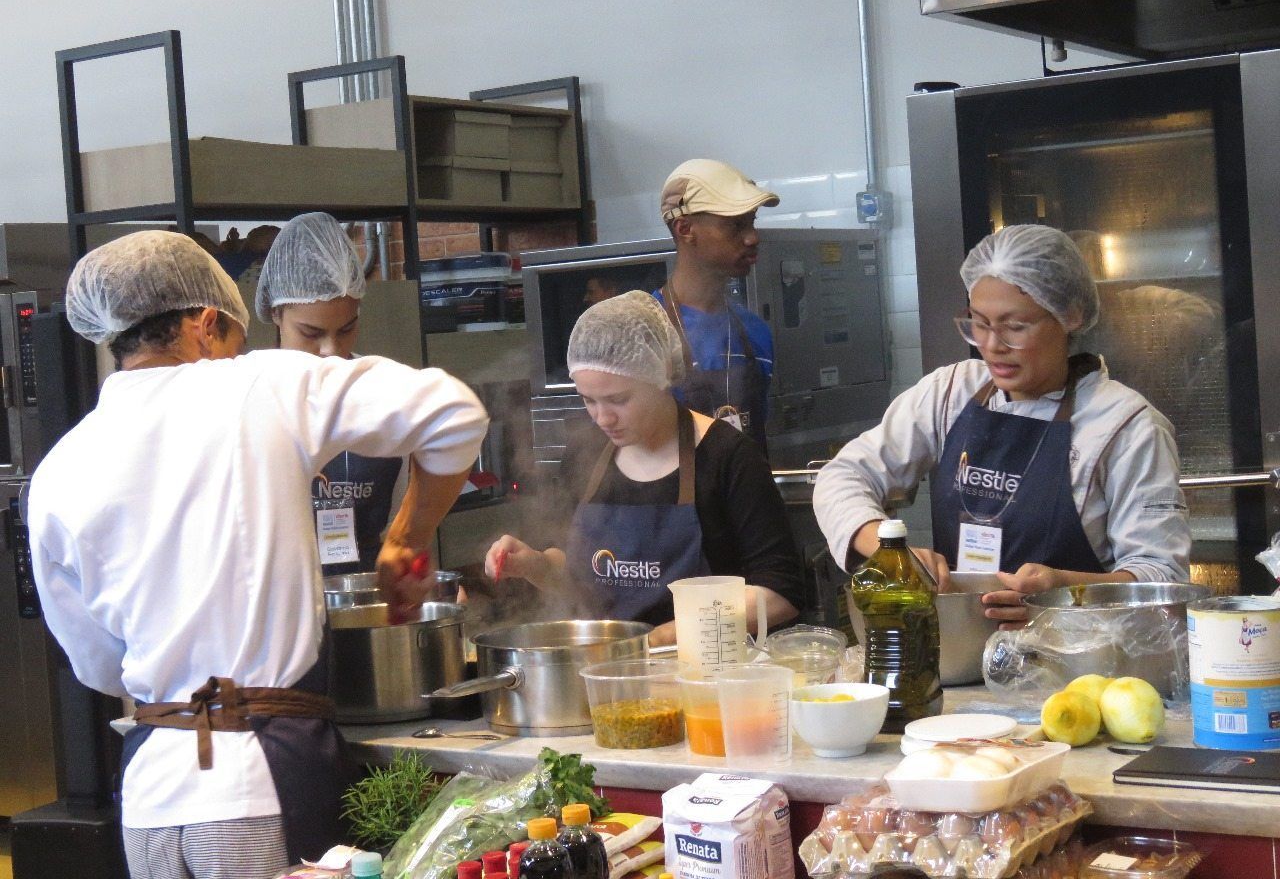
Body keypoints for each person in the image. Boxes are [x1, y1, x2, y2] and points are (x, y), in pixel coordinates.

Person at [28, 231, 488, 878]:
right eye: (237, 340)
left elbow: (98, 665)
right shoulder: (260, 385)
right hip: (256, 788)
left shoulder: (58, 470)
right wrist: (405, 538)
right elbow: (453, 413)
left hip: (150, 799)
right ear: (207, 324)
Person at [813, 224, 1190, 628]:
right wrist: (888, 549)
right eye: (979, 322)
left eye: (1016, 326)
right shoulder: (952, 391)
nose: (992, 345)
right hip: (961, 654)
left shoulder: (1127, 426)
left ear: (1070, 317)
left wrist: (1061, 593)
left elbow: (1161, 580)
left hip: (1078, 666)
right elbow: (844, 475)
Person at [483, 291, 803, 646]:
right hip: (608, 674)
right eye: (589, 400)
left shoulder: (728, 456)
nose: (603, 418)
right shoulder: (584, 455)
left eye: (619, 400)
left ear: (661, 376)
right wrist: (534, 565)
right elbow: (578, 578)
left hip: (706, 673)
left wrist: (669, 635)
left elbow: (781, 593)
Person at [256, 211, 405, 572]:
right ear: (276, 314)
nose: (330, 350)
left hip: (365, 591)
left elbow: (403, 512)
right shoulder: (248, 398)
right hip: (280, 597)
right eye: (311, 333)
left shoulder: (382, 391)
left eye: (346, 329)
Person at [654, 158, 778, 450]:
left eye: (752, 222)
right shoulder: (643, 333)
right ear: (685, 229)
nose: (752, 237)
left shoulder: (755, 332)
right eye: (735, 225)